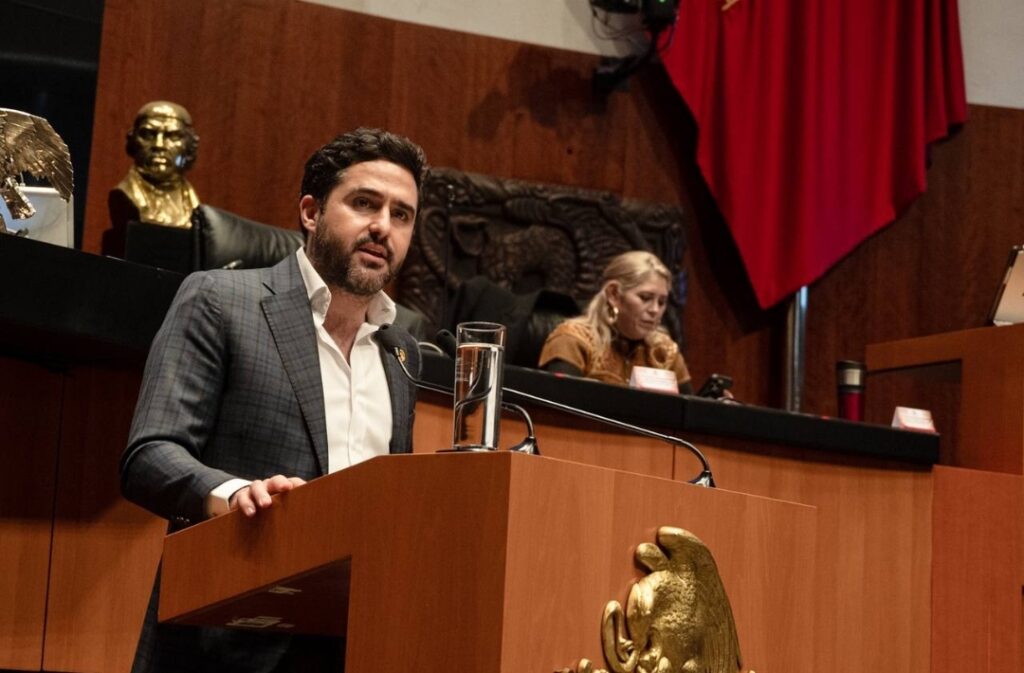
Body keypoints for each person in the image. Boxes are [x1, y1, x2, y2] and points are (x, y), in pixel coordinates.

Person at [119, 127, 428, 672]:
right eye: (364, 203)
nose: (383, 226)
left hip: (349, 645)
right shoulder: (220, 301)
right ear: (311, 212)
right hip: (224, 642)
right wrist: (236, 494)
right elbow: (150, 456)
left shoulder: (400, 351)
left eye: (401, 214)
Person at [538, 250, 693, 394]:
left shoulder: (665, 351)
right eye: (645, 298)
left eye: (662, 302)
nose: (655, 310)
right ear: (614, 294)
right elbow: (559, 406)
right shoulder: (572, 340)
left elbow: (691, 409)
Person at [111, 100, 201, 229]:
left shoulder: (195, 207)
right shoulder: (124, 195)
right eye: (148, 135)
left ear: (189, 146)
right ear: (133, 141)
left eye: (173, 136)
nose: (159, 145)